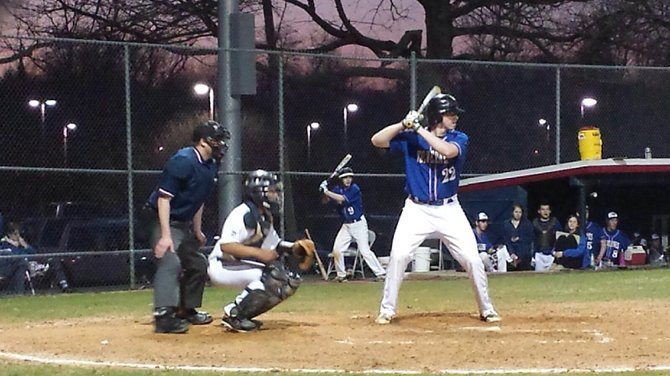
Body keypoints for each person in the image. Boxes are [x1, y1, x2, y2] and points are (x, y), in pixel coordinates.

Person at [370, 91, 500, 324]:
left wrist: (419, 130)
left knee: (472, 259)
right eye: (450, 114)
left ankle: (486, 308)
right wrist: (402, 125)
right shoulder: (410, 138)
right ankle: (387, 309)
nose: (455, 118)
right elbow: (377, 141)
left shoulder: (459, 137)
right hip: (416, 210)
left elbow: (447, 151)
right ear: (438, 116)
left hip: (449, 209)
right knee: (399, 256)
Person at [143, 120, 230, 333]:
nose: (220, 144)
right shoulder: (183, 160)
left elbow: (198, 199)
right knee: (170, 261)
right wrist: (165, 236)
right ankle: (163, 316)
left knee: (197, 264)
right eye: (216, 140)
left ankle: (185, 309)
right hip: (159, 218)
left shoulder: (211, 164)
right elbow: (164, 199)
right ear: (202, 141)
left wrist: (197, 230)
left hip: (181, 223)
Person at [207, 170, 312, 332]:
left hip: (235, 264)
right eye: (271, 191)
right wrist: (259, 254)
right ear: (258, 192)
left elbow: (275, 245)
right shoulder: (241, 214)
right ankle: (234, 314)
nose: (275, 195)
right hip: (221, 265)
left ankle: (243, 315)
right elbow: (226, 245)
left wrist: (294, 248)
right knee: (270, 276)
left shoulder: (264, 216)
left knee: (287, 282)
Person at [319, 167, 386, 282]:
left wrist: (327, 191)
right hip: (346, 225)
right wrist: (323, 190)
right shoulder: (337, 188)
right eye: (345, 178)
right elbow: (325, 201)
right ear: (341, 179)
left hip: (358, 224)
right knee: (337, 250)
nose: (348, 180)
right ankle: (341, 275)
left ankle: (381, 273)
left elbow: (341, 199)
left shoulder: (354, 189)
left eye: (350, 177)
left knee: (365, 251)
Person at [501, 204, 534, 271]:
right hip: (510, 252)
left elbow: (530, 239)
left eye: (520, 212)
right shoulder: (506, 224)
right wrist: (512, 253)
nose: (518, 214)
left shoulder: (527, 224)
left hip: (524, 253)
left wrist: (519, 239)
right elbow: (506, 240)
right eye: (516, 212)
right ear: (512, 212)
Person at [531, 201, 561, 272]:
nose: (545, 212)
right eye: (543, 209)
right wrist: (532, 255)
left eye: (547, 209)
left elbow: (560, 238)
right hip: (539, 255)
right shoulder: (534, 223)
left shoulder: (555, 222)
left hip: (552, 255)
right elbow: (532, 240)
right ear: (539, 211)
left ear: (550, 211)